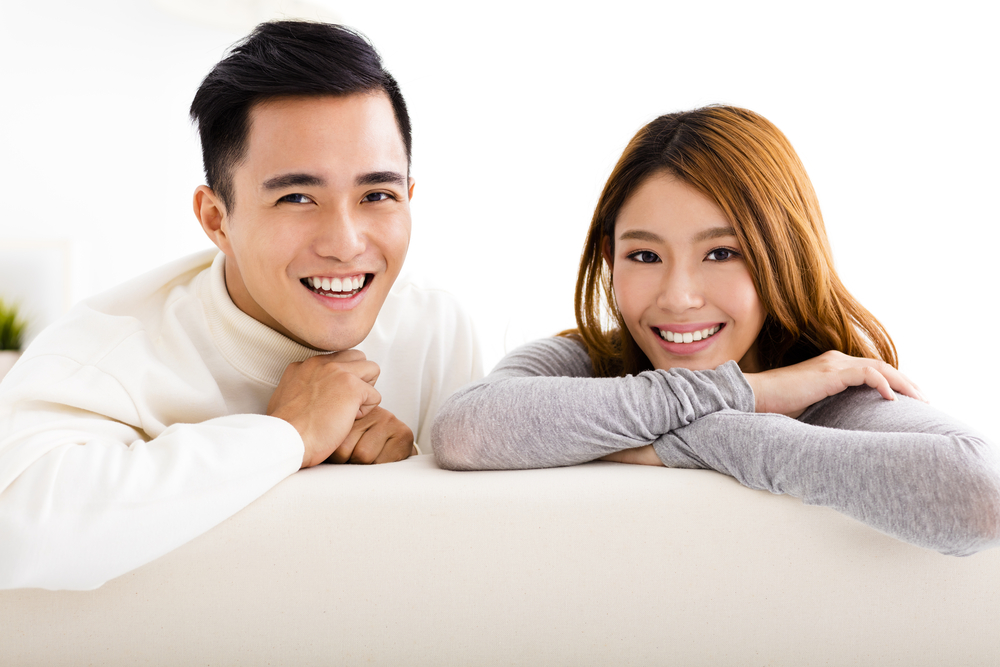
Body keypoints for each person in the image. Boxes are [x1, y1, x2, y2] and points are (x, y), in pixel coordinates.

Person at [0, 21, 481, 590]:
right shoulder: (105, 352)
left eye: (377, 194)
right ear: (216, 219)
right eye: (296, 197)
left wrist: (410, 472)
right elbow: (17, 532)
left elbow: (470, 555)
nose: (347, 243)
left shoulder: (434, 328)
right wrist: (286, 435)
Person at [432, 105, 1000, 556]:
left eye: (722, 252)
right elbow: (466, 429)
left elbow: (978, 495)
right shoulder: (587, 358)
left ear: (783, 256)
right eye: (645, 256)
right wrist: (753, 393)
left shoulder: (832, 394)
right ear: (610, 259)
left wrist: (699, 434)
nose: (678, 296)